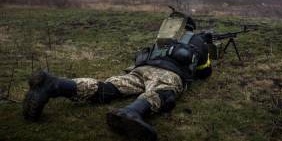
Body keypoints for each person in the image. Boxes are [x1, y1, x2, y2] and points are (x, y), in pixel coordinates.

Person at [23, 10, 213, 141]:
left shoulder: (162, 40)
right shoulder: (197, 41)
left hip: (141, 70)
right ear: (191, 28)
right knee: (162, 93)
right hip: (169, 75)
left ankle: (55, 84)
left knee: (108, 88)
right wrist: (206, 46)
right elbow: (205, 73)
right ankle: (132, 112)